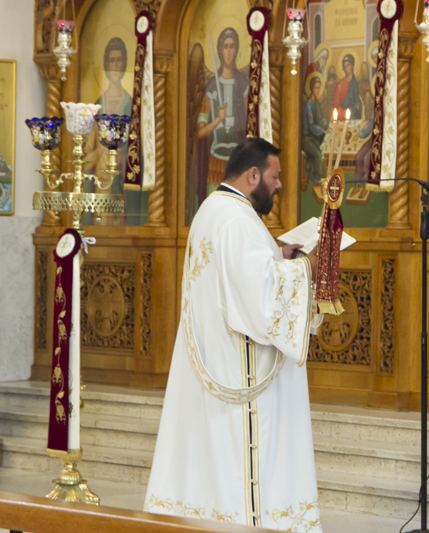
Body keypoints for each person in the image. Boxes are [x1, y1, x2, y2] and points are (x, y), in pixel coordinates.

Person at [145, 138, 324, 532]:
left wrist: (281, 260)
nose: (278, 186)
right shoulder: (239, 221)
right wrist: (307, 266)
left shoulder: (213, 210)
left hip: (217, 361)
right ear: (253, 175)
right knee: (239, 468)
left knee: (213, 469)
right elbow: (261, 304)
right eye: (275, 177)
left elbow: (240, 281)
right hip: (240, 376)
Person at [82, 37, 148, 225]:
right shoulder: (97, 106)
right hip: (100, 184)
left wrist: (123, 158)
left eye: (119, 60)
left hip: (122, 183)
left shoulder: (132, 106)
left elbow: (141, 151)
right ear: (106, 64)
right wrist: (99, 152)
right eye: (112, 60)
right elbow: (84, 158)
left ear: (125, 63)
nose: (116, 65)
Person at [195, 27, 249, 206]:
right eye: (225, 46)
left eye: (232, 46)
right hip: (216, 160)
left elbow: (251, 123)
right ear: (219, 51)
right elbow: (200, 132)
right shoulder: (211, 87)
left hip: (238, 162)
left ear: (236, 50)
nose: (228, 51)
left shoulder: (243, 85)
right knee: (215, 209)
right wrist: (218, 119)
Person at [303, 73, 329, 184]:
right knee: (318, 155)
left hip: (314, 136)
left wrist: (325, 121)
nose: (317, 90)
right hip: (306, 137)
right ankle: (319, 179)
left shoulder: (316, 103)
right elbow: (311, 125)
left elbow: (320, 118)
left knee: (323, 148)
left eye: (319, 88)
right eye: (316, 88)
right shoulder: (308, 105)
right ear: (311, 88)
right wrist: (322, 131)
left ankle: (313, 174)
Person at [333, 54, 362, 120]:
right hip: (343, 116)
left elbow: (357, 100)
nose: (346, 69)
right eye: (345, 67)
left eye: (348, 65)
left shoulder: (355, 82)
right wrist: (343, 114)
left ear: (352, 65)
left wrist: (358, 105)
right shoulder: (341, 84)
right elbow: (336, 104)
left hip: (354, 115)